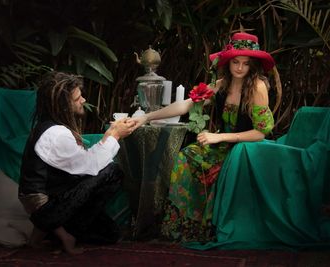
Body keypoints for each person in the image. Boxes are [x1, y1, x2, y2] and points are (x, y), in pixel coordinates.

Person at [131, 32, 277, 242]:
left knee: (205, 163)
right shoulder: (221, 84)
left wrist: (219, 137)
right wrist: (147, 117)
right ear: (227, 62)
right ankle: (186, 227)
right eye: (235, 62)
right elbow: (187, 104)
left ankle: (208, 226)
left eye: (245, 64)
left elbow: (261, 133)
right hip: (221, 144)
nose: (239, 68)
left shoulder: (257, 87)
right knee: (185, 156)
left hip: (245, 147)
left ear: (252, 65)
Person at [18, 71, 136, 254]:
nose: (83, 100)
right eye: (77, 98)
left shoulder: (51, 127)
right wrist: (115, 135)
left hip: (55, 197)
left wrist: (110, 135)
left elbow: (81, 165)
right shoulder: (56, 134)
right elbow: (89, 167)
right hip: (46, 209)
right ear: (63, 106)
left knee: (110, 234)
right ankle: (64, 233)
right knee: (112, 172)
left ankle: (60, 231)